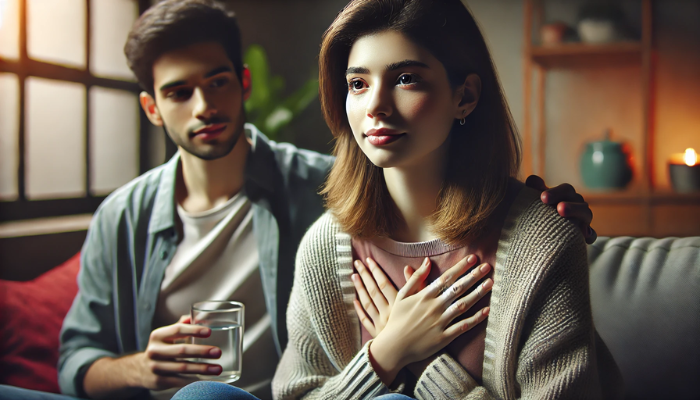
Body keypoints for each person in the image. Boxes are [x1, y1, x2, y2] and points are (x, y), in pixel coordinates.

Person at [0, 1, 596, 400]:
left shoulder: (311, 188)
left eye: (406, 78)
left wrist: (535, 211)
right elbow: (75, 357)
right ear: (153, 108)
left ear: (243, 82)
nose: (204, 107)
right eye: (358, 83)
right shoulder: (127, 217)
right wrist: (140, 368)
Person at [272, 0, 623, 399]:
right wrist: (387, 352)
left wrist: (427, 365)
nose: (375, 107)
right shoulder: (324, 246)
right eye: (358, 84)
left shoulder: (540, 244)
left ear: (465, 96)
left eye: (405, 78)